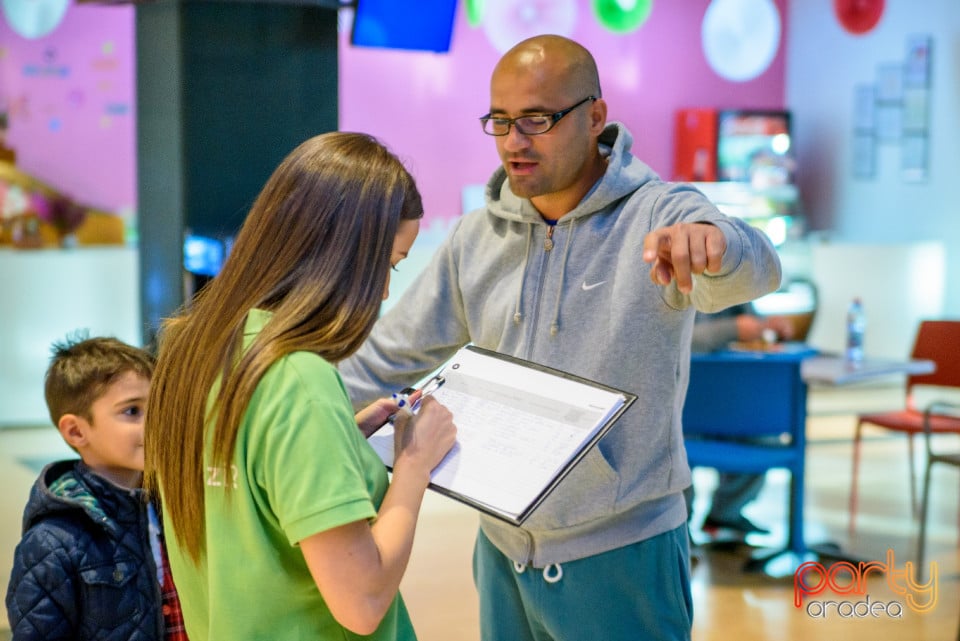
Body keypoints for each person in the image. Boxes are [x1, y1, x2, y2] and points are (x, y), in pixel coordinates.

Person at [338, 35, 782, 641]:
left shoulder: (658, 214)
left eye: (537, 120)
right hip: (501, 549)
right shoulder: (477, 236)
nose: (514, 142)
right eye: (500, 121)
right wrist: (282, 403)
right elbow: (386, 358)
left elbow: (755, 264)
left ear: (595, 117)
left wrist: (715, 243)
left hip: (624, 554)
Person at [143, 132, 457, 641]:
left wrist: (339, 441)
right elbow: (362, 600)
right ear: (343, 252)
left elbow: (248, 490)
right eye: (389, 264)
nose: (382, 289)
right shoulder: (299, 379)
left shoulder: (194, 347)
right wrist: (414, 466)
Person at [5, 334, 188, 641]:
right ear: (76, 431)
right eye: (132, 411)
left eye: (158, 407)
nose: (156, 423)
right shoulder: (52, 542)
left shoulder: (172, 508)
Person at [687, 305, 795, 536]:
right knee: (674, 449)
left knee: (766, 439)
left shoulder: (735, 277)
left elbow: (751, 322)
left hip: (728, 399)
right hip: (685, 407)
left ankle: (725, 514)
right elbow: (680, 340)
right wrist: (732, 329)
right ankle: (680, 526)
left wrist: (767, 326)